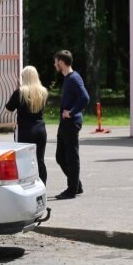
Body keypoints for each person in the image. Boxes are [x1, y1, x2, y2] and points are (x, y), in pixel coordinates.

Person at [52, 50, 89, 200]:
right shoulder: (68, 78)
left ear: (61, 62)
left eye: (56, 62)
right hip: (65, 123)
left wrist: (72, 112)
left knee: (71, 157)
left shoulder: (74, 78)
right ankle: (76, 185)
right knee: (60, 156)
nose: (54, 64)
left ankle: (72, 189)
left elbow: (85, 98)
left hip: (71, 123)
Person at [5, 66, 49, 185]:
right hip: (40, 129)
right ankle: (42, 186)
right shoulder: (43, 92)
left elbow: (8, 109)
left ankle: (26, 185)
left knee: (23, 160)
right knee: (40, 160)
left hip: (25, 130)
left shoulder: (20, 92)